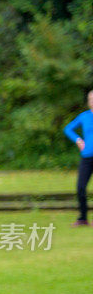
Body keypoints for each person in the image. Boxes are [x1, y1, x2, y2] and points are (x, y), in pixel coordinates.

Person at [63, 89, 93, 227]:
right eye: (90, 99)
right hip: (86, 157)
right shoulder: (84, 116)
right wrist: (78, 140)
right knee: (80, 187)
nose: (92, 101)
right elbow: (68, 129)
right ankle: (83, 219)